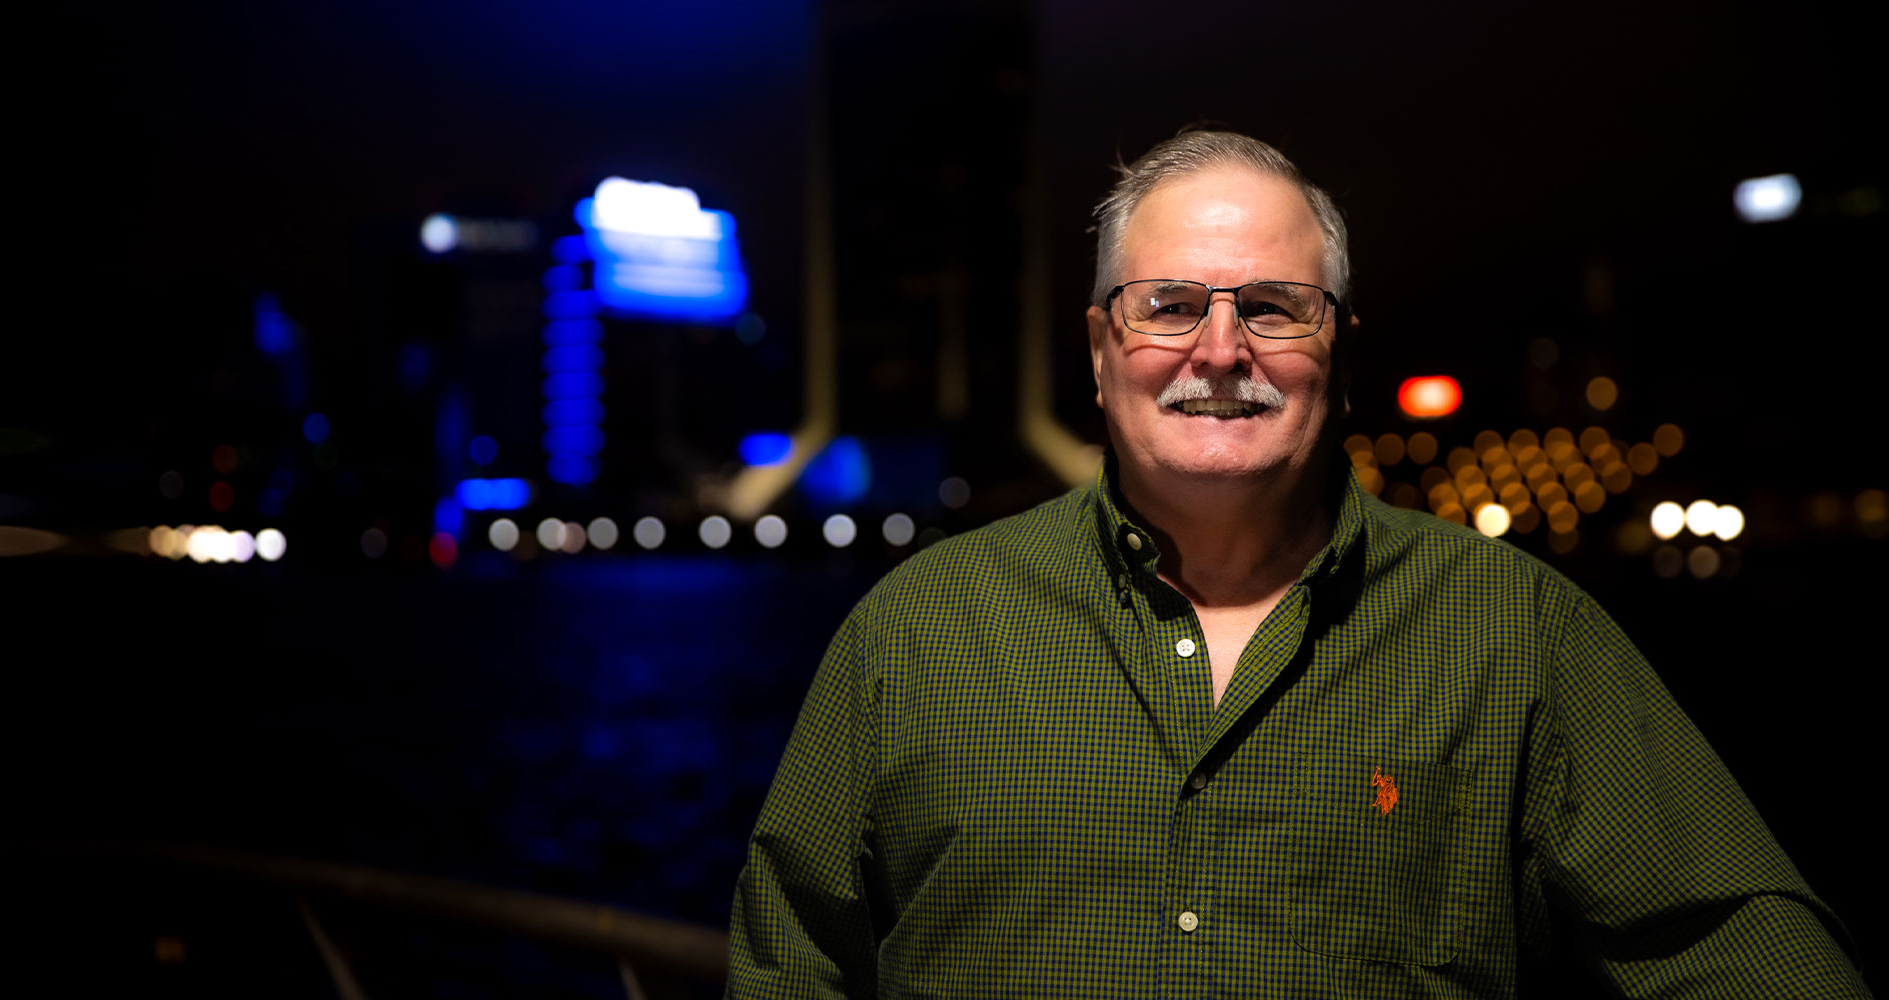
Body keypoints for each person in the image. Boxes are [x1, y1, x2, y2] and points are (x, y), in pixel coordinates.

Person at [726, 130, 1868, 998]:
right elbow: (788, 964)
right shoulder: (918, 628)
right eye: (1167, 305)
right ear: (1096, 347)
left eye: (1273, 309)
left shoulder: (1515, 632)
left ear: (1339, 350)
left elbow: (1749, 952)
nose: (1218, 352)